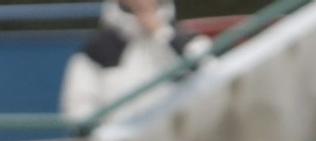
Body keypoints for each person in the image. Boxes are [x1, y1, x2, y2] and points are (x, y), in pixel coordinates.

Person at [60, 0, 209, 125]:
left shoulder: (189, 43)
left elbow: (213, 79)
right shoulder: (95, 52)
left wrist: (161, 33)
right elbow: (78, 111)